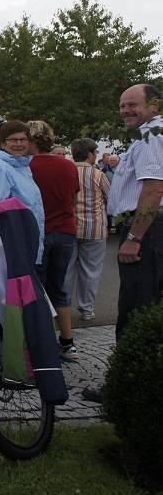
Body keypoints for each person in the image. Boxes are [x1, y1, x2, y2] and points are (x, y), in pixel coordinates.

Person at [84, 84, 163, 404]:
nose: (126, 110)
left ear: (153, 105)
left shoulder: (150, 137)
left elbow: (154, 190)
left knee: (135, 309)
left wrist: (134, 237)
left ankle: (125, 388)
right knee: (150, 308)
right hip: (152, 229)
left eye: (133, 105)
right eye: (122, 106)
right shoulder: (150, 135)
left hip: (148, 230)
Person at [26, 120, 80, 361]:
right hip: (66, 231)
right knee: (59, 289)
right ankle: (68, 343)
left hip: (39, 233)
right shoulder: (68, 166)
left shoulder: (28, 166)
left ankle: (41, 344)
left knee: (36, 290)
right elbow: (73, 195)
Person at [0, 120, 45, 264]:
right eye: (13, 140)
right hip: (10, 250)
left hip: (24, 246)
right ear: (2, 144)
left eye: (23, 139)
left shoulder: (21, 166)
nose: (19, 144)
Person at [67, 137, 110, 321]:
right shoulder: (98, 174)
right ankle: (86, 309)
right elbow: (111, 197)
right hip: (95, 229)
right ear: (91, 154)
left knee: (66, 271)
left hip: (69, 227)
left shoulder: (66, 172)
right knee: (91, 271)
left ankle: (64, 307)